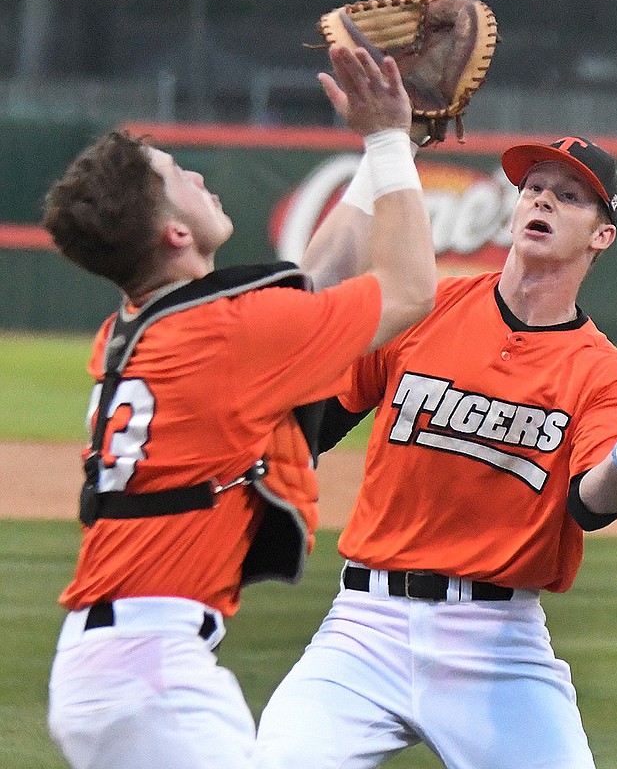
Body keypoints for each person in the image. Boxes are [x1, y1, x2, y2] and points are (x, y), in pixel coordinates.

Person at [44, 43, 438, 769]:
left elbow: (313, 283)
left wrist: (387, 151)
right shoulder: (226, 336)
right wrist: (386, 142)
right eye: (175, 176)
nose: (194, 172)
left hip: (114, 665)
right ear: (176, 234)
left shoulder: (139, 327)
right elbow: (410, 288)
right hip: (152, 676)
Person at [256, 135, 617, 769]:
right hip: (366, 628)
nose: (542, 200)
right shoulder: (428, 306)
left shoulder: (604, 374)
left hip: (498, 646)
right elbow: (317, 423)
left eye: (569, 196)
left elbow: (591, 504)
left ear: (601, 236)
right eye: (533, 188)